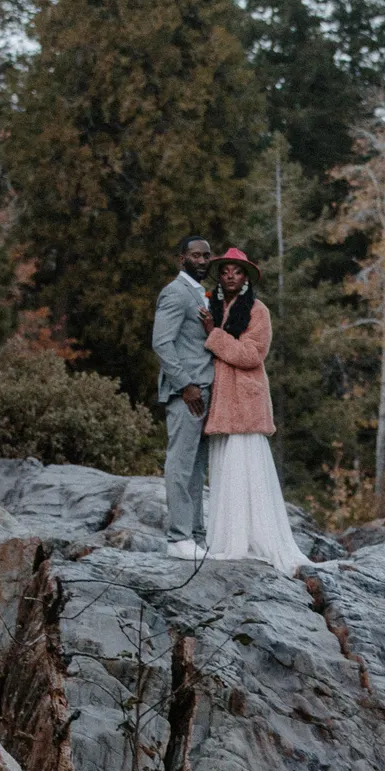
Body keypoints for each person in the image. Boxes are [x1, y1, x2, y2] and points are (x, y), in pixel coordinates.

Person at [199, 247, 310, 573]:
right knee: (225, 467)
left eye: (236, 270)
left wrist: (213, 336)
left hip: (246, 400)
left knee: (245, 466)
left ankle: (252, 539)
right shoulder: (213, 307)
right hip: (222, 400)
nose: (230, 275)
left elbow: (251, 355)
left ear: (246, 277)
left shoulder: (258, 311)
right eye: (225, 270)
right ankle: (228, 539)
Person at [151, 235, 215, 559]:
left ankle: (196, 537)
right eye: (196, 255)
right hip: (187, 394)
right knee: (180, 465)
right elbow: (161, 343)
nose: (202, 261)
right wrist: (185, 385)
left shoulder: (202, 293)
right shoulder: (175, 292)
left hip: (205, 391)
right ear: (182, 259)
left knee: (197, 469)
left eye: (206, 255)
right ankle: (178, 538)